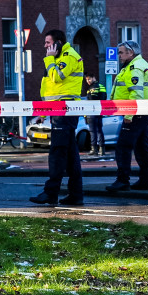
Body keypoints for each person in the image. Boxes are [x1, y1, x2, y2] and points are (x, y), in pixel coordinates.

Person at [30, 29, 84, 206]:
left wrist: (49, 59)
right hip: (58, 110)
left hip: (65, 110)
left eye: (48, 43)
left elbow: (56, 78)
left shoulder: (68, 56)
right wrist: (44, 112)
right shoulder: (59, 58)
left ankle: (50, 193)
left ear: (58, 42)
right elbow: (51, 90)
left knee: (57, 153)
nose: (45, 47)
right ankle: (75, 195)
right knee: (70, 156)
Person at [107, 40, 148, 192]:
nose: (119, 55)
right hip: (142, 113)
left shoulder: (134, 68)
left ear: (130, 53)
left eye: (121, 52)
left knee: (123, 147)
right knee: (141, 148)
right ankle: (145, 181)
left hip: (134, 114)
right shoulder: (136, 65)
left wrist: (129, 114)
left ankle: (123, 181)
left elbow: (136, 94)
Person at [84, 75, 106, 156]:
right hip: (99, 111)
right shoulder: (102, 86)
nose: (88, 81)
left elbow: (90, 100)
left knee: (93, 131)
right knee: (99, 130)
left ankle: (94, 150)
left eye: (89, 79)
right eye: (86, 80)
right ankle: (102, 150)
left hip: (92, 112)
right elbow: (104, 97)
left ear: (94, 77)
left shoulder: (91, 88)